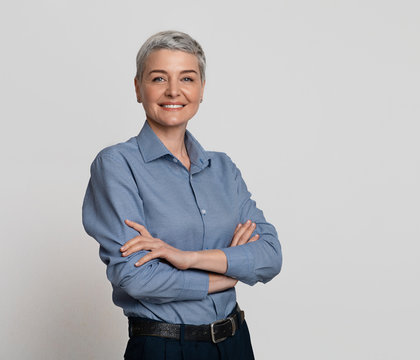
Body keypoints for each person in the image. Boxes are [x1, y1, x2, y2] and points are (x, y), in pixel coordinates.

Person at [82, 30, 282, 360]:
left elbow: (270, 256)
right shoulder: (117, 165)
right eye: (159, 78)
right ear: (138, 88)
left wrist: (184, 258)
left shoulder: (223, 168)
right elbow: (136, 276)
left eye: (186, 78)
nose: (173, 90)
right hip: (166, 348)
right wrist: (231, 272)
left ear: (201, 89)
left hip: (236, 343)